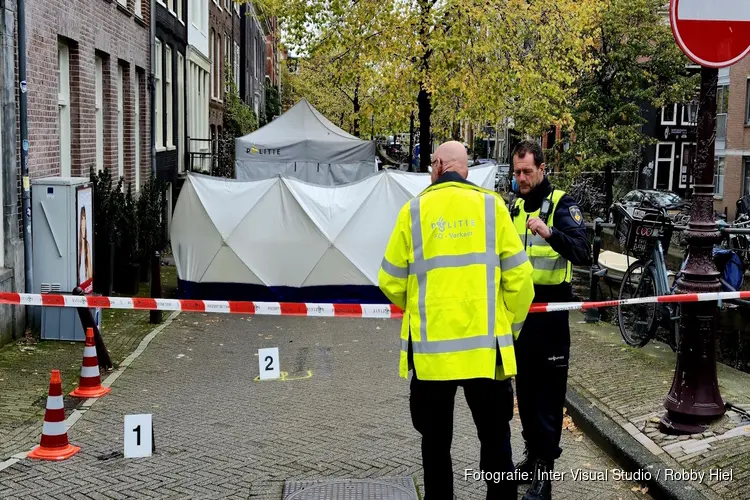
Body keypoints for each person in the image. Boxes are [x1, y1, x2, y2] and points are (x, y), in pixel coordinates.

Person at [378, 140, 535, 500]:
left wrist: (421, 307)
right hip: (486, 352)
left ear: (436, 166)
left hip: (433, 356)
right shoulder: (493, 208)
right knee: (496, 441)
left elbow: (389, 280)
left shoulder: (413, 211)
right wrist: (508, 328)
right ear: (465, 169)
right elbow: (521, 282)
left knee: (435, 444)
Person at [509, 140, 591, 500]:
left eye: (528, 171)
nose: (522, 178)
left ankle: (545, 476)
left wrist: (549, 233)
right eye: (517, 172)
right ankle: (531, 458)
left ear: (542, 169)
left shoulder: (562, 204)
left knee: (547, 397)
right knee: (525, 395)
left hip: (551, 314)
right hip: (520, 317)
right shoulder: (512, 208)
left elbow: (583, 252)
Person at [78, 205, 92, 285]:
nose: (84, 223)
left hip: (85, 286)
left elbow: (89, 270)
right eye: (82, 219)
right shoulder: (77, 246)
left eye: (85, 219)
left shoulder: (87, 245)